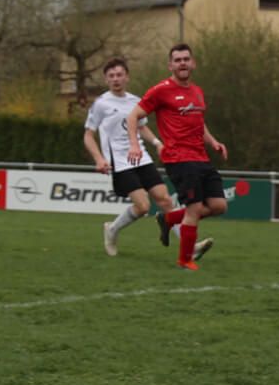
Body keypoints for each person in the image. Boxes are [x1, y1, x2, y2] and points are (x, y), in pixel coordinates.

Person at [126, 43, 228, 271]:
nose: (182, 63)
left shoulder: (197, 91)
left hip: (201, 157)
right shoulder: (161, 90)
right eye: (178, 60)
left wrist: (213, 142)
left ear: (193, 63)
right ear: (170, 65)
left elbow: (198, 121)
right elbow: (132, 117)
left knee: (219, 205)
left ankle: (169, 219)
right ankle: (185, 260)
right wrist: (134, 144)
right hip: (179, 159)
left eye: (186, 59)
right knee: (194, 209)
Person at [82, 57, 179, 257]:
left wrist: (157, 143)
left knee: (165, 199)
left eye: (119, 75)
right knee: (143, 206)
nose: (115, 79)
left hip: (141, 157)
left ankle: (190, 247)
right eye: (111, 76)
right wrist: (99, 159)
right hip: (119, 161)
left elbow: (141, 128)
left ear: (127, 77)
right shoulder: (101, 104)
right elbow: (88, 135)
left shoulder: (136, 101)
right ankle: (112, 229)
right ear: (106, 80)